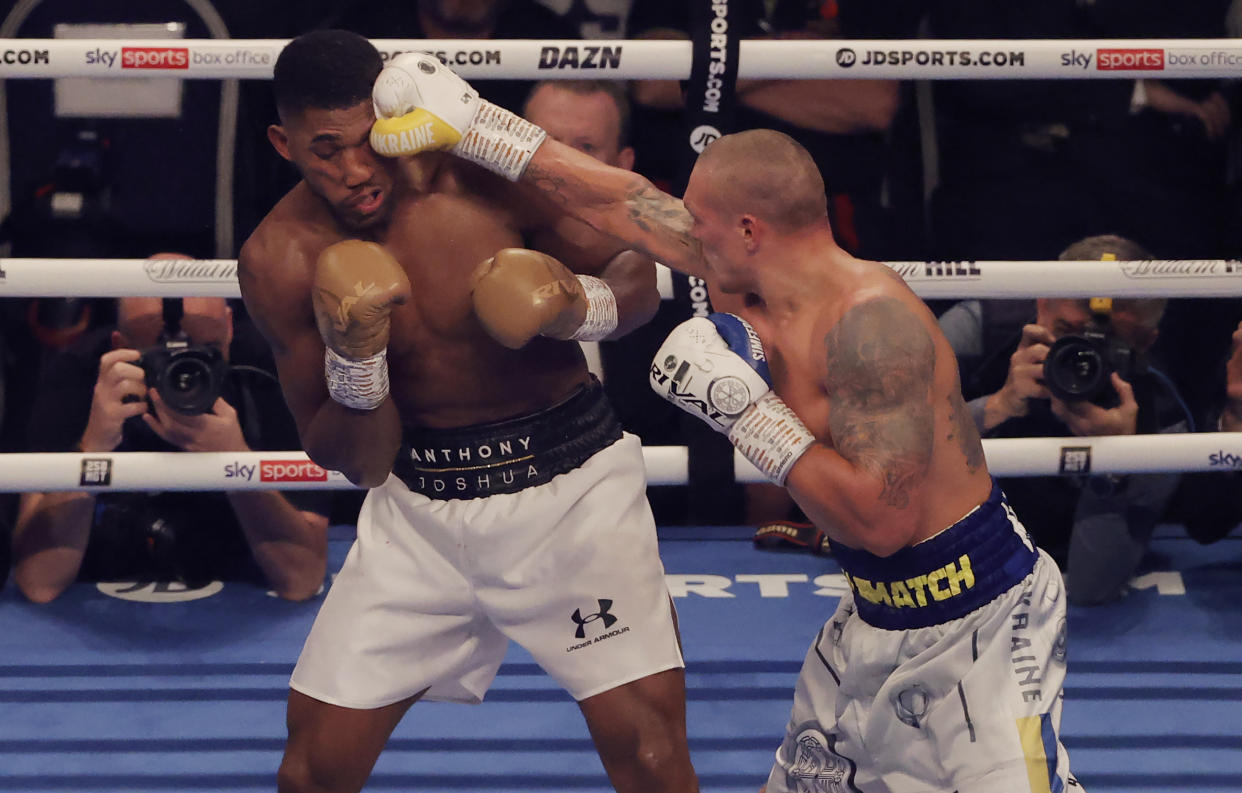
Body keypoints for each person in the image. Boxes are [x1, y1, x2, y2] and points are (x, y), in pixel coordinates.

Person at [372, 55, 1080, 791]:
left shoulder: (871, 329)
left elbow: (883, 521)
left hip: (979, 618)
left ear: (748, 229)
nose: (685, 237)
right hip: (876, 612)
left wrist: (749, 415)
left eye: (700, 225)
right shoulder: (749, 266)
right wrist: (478, 124)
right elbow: (626, 204)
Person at [238, 31, 696, 793]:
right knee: (310, 772)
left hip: (573, 492)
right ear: (284, 143)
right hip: (418, 509)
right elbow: (361, 459)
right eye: (326, 151)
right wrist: (357, 361)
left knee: (652, 759)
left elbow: (645, 256)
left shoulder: (478, 176)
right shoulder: (279, 257)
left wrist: (584, 307)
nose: (356, 171)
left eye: (369, 143)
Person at [11, 264, 331, 603]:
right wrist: (93, 449)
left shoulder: (271, 373)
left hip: (236, 581)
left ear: (230, 327)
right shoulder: (80, 375)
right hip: (102, 574)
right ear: (119, 344)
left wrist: (238, 465)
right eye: (161, 356)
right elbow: (38, 582)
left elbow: (301, 578)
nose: (184, 373)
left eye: (204, 350)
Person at [941, 234, 1192, 604]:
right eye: (1067, 333)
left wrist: (1114, 465)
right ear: (1042, 302)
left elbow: (1091, 586)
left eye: (1109, 346)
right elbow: (896, 453)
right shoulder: (977, 331)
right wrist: (995, 407)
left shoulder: (1162, 413)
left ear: (1146, 342)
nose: (1084, 356)